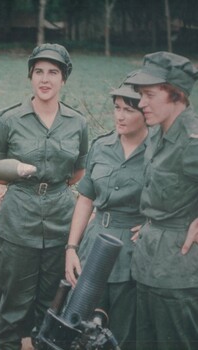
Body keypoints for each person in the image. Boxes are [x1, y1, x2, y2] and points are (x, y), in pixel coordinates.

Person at [0, 43, 88, 349]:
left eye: (53, 72)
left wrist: (52, 189)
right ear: (30, 76)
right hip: (17, 222)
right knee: (13, 308)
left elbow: (79, 171)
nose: (45, 79)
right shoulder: (9, 120)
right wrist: (19, 178)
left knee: (51, 307)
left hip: (60, 221)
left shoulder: (77, 123)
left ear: (63, 79)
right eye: (38, 71)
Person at [64, 73, 149, 349]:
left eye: (129, 109)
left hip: (133, 251)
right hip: (95, 244)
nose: (120, 116)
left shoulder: (157, 152)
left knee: (123, 334)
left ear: (145, 113)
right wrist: (71, 248)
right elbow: (86, 199)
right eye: (117, 108)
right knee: (81, 326)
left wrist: (153, 223)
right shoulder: (101, 146)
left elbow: (175, 199)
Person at [124, 51, 198, 349]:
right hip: (148, 262)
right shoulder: (156, 135)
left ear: (176, 95)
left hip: (179, 271)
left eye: (149, 95)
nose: (141, 103)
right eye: (141, 95)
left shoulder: (192, 141)